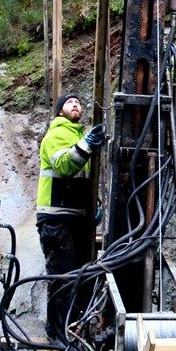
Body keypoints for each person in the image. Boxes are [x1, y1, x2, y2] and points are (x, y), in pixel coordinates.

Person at [36, 93, 106, 337]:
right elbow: (65, 166)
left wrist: (93, 205)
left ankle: (74, 332)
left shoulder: (79, 137)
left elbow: (83, 180)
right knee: (63, 279)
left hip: (76, 218)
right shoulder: (55, 135)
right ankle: (58, 337)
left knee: (81, 277)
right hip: (56, 218)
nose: (75, 104)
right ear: (59, 112)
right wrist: (86, 145)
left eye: (78, 102)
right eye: (69, 102)